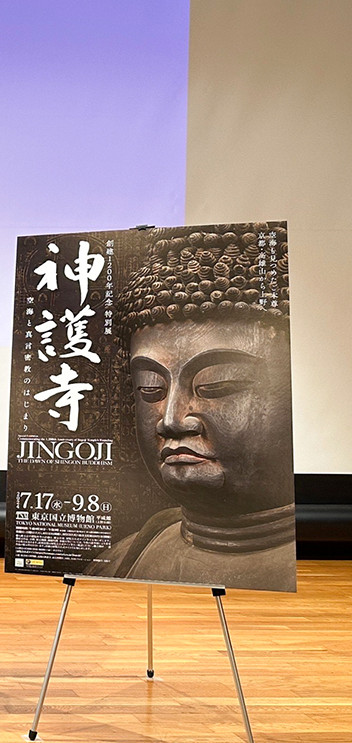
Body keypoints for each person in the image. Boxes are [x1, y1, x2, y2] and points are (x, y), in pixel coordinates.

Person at [90, 224, 295, 591]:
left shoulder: (300, 567)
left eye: (217, 385)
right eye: (150, 389)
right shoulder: (129, 555)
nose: (171, 420)